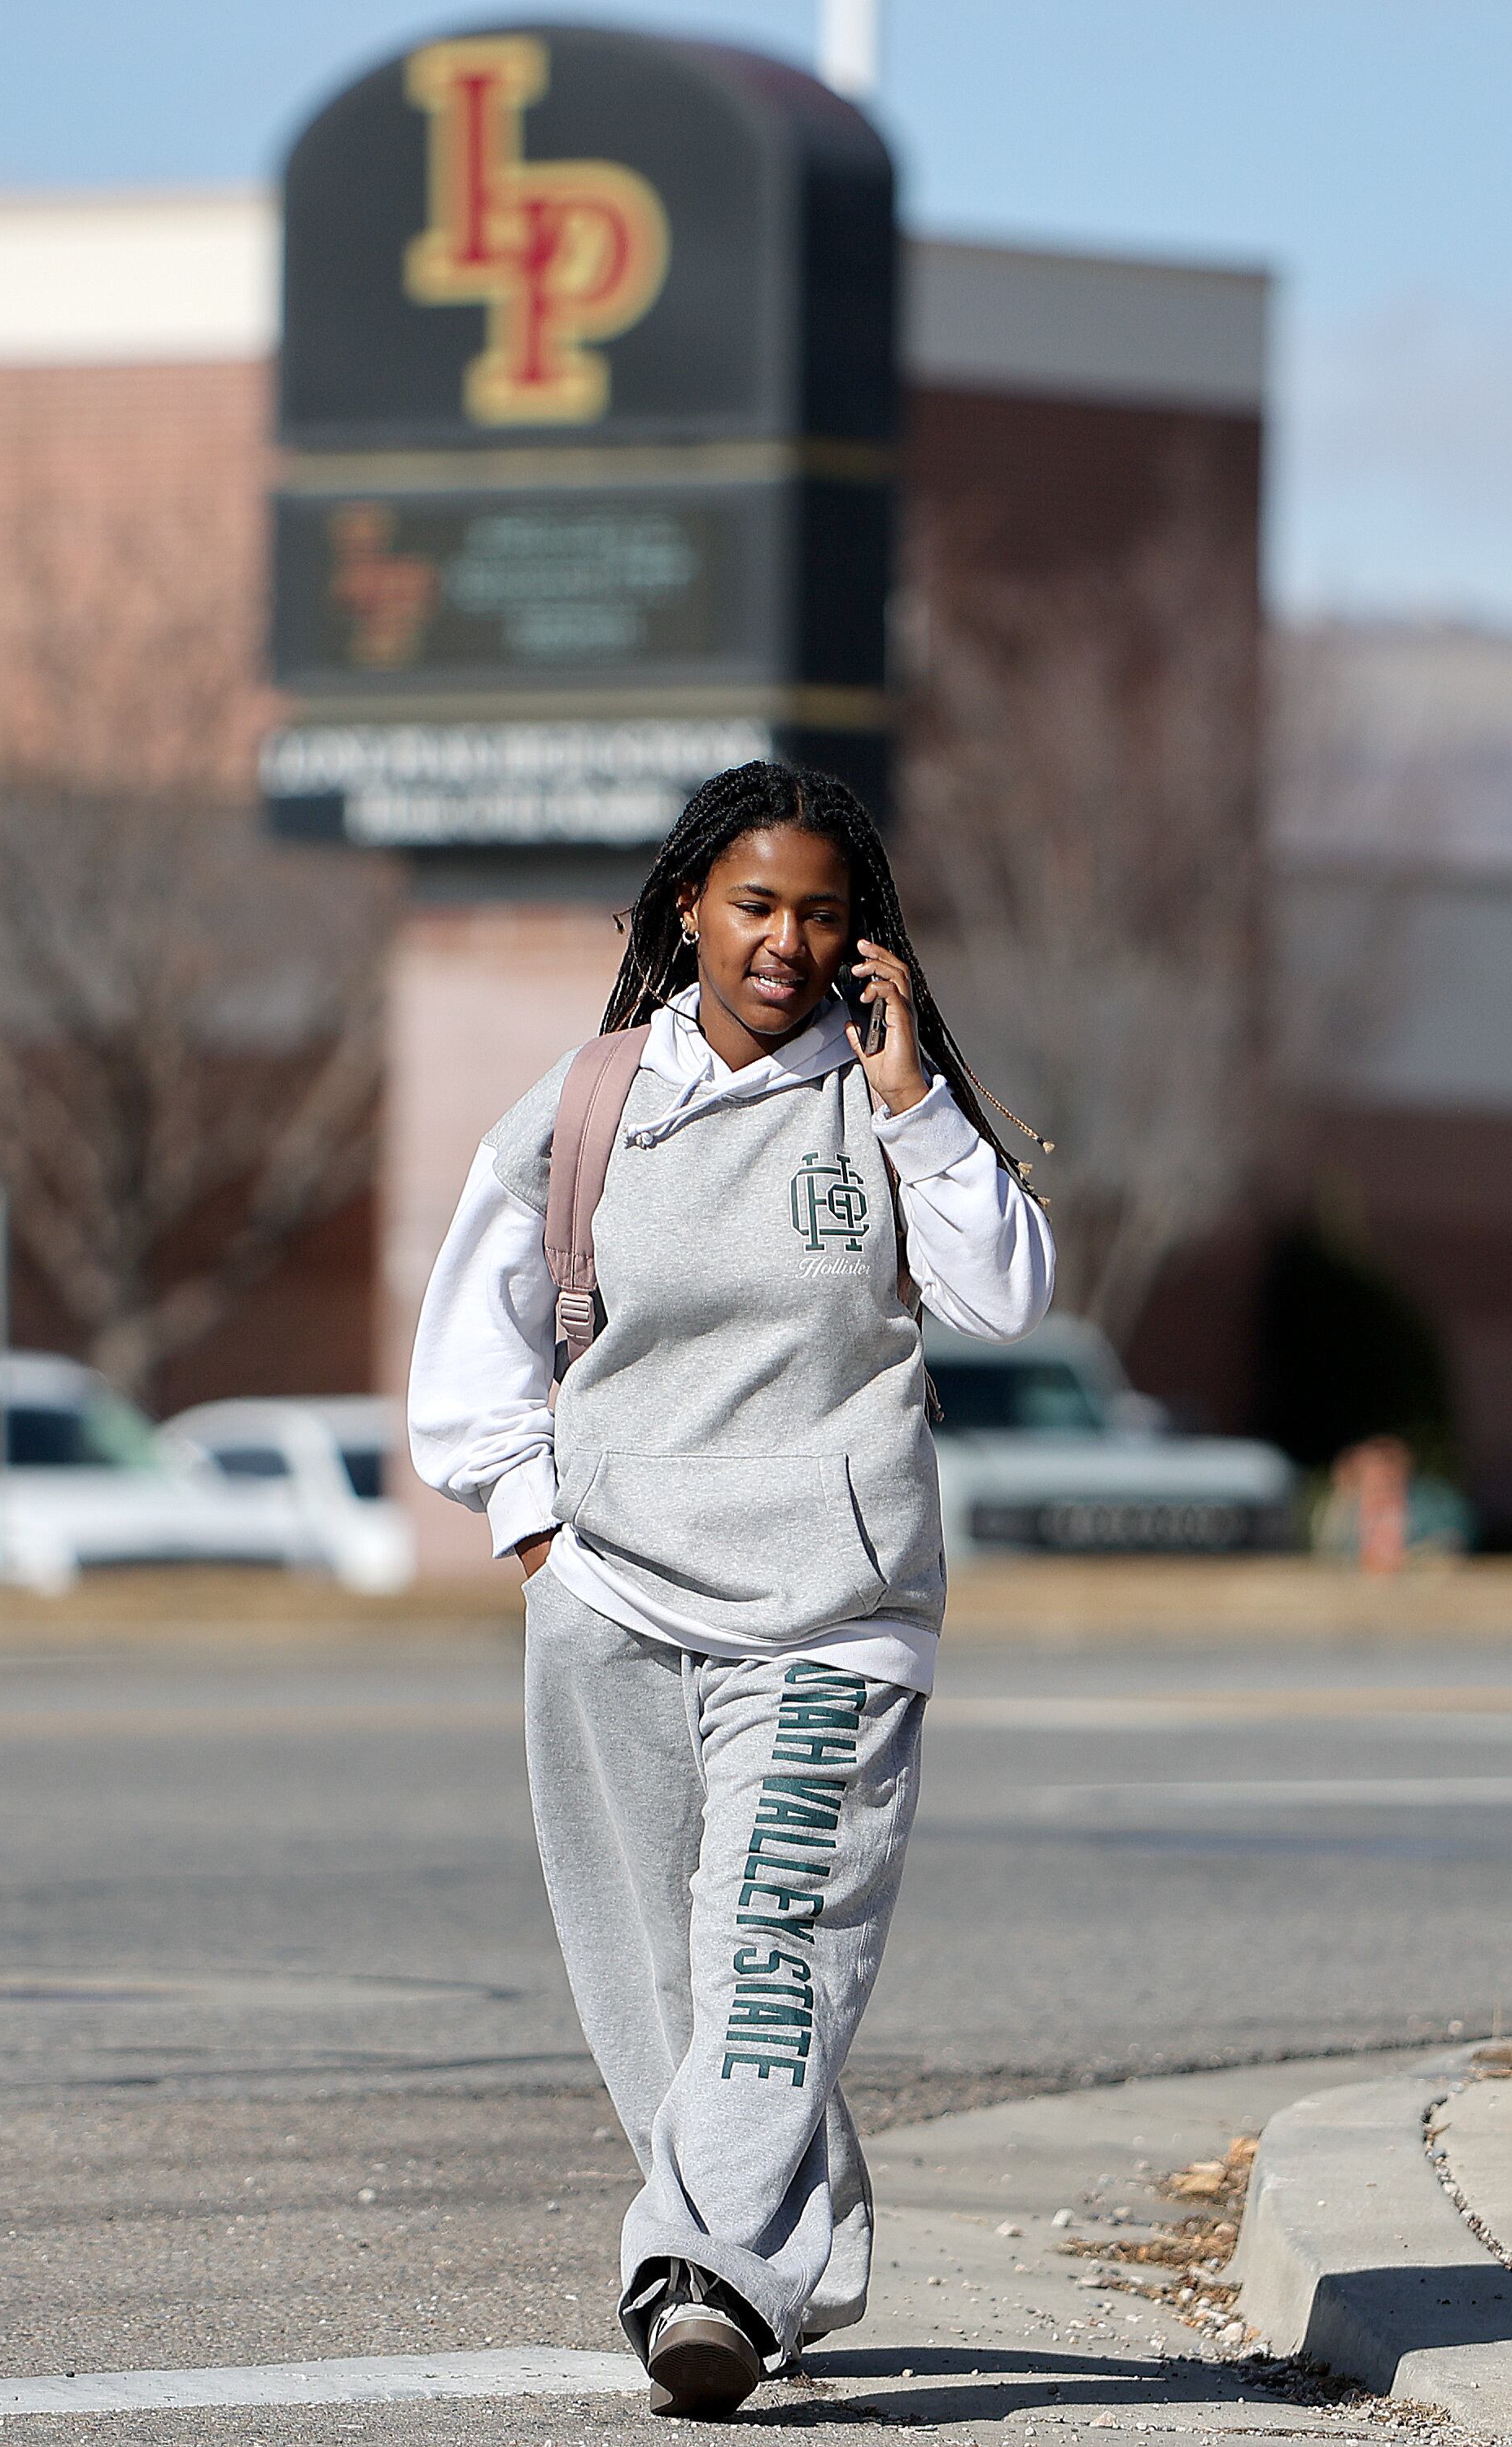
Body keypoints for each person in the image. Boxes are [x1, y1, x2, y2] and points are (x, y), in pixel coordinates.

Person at [408, 762, 1055, 2419]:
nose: (785, 939)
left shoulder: (884, 1098)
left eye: (821, 912)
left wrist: (914, 1099)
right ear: (688, 907)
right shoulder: (595, 1098)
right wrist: (538, 1520)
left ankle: (702, 2274)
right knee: (656, 1970)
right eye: (755, 904)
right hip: (612, 1595)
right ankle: (794, 2242)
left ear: (863, 938)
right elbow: (472, 1327)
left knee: (773, 1943)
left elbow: (1004, 1296)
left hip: (828, 1607)